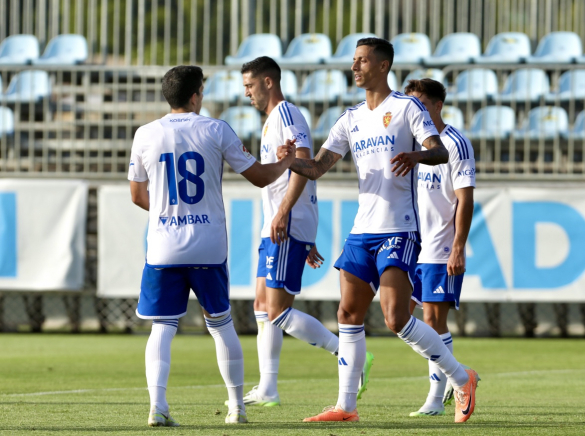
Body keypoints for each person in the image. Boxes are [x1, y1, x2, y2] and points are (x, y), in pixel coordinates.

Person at [276, 38, 479, 423]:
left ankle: (460, 376)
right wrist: (288, 161)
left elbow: (439, 151)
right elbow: (318, 167)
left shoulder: (406, 107)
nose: (355, 67)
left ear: (383, 66)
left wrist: (416, 155)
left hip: (399, 228)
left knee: (395, 318)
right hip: (362, 230)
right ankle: (346, 407)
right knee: (348, 313)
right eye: (353, 60)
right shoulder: (350, 118)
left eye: (362, 61)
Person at [128, 65, 296, 426]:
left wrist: (166, 212)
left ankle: (158, 408)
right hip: (207, 245)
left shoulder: (145, 134)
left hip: (163, 246)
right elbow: (260, 177)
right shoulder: (215, 129)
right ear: (194, 95)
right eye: (201, 91)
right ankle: (236, 408)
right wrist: (289, 159)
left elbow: (137, 195)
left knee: (162, 328)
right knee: (221, 325)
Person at [235, 56, 374, 407]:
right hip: (281, 222)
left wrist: (286, 214)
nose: (246, 93)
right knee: (262, 307)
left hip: (285, 221)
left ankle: (349, 353)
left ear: (268, 82)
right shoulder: (271, 122)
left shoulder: (287, 114)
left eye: (250, 85)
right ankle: (268, 388)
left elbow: (305, 163)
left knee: (278, 310)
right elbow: (287, 167)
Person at [404, 79, 476, 417]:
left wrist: (458, 247)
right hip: (414, 247)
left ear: (437, 106)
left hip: (441, 246)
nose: (416, 110)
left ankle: (435, 399)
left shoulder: (455, 144)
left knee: (432, 320)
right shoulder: (415, 146)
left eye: (421, 103)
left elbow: (465, 199)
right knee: (402, 316)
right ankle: (459, 375)